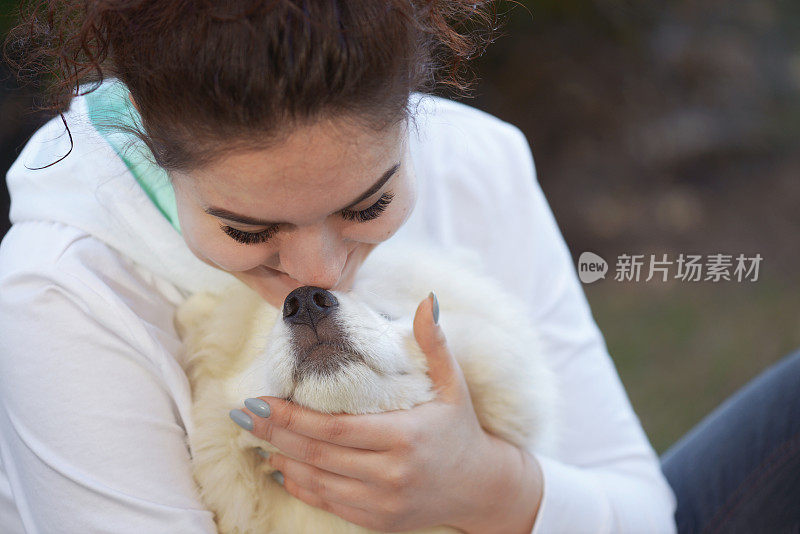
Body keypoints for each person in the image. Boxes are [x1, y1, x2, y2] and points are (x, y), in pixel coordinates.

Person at [0, 1, 678, 533]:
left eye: (369, 204)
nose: (317, 275)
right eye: (247, 229)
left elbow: (646, 512)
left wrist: (491, 487)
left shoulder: (477, 164)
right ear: (150, 142)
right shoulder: (62, 291)